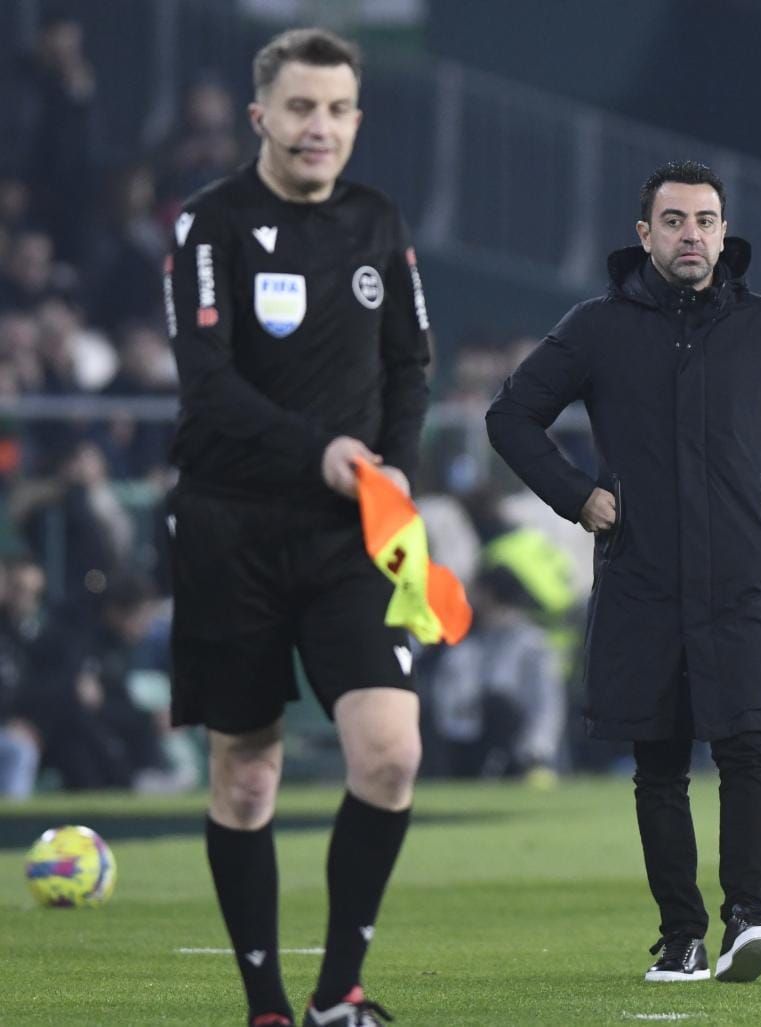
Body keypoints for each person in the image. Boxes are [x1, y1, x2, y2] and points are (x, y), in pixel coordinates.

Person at [486, 161, 761, 984]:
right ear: (643, 234)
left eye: (707, 220)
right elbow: (511, 415)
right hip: (644, 573)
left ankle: (747, 917)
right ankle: (680, 935)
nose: (693, 235)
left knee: (749, 745)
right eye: (675, 221)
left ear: (725, 231)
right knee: (659, 760)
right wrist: (579, 497)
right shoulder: (597, 325)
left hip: (743, 575)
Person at [163, 28, 431, 1027]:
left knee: (391, 754)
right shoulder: (209, 225)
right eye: (300, 108)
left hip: (350, 530)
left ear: (356, 121)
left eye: (336, 110)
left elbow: (409, 362)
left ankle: (338, 996)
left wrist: (395, 458)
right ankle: (268, 1007)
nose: (318, 127)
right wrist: (317, 446)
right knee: (247, 774)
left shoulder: (377, 221)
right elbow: (207, 382)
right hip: (231, 527)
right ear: (260, 118)